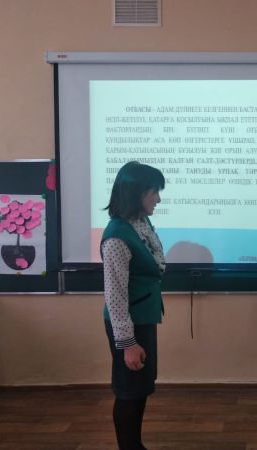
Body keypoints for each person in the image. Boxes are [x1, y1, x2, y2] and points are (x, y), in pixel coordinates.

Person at [102, 161, 166, 450]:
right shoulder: (117, 236)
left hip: (143, 318)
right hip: (127, 324)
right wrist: (128, 343)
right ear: (136, 193)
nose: (158, 199)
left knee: (140, 388)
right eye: (154, 192)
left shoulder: (140, 223)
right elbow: (115, 297)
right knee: (129, 391)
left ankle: (135, 445)